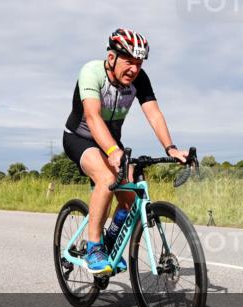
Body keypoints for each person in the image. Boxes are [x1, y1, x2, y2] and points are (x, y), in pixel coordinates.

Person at [63, 28, 187, 275]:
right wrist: (111, 150)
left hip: (111, 142)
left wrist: (170, 148)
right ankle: (94, 248)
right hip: (80, 138)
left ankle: (110, 241)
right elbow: (92, 116)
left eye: (138, 63)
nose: (134, 69)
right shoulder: (92, 72)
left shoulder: (140, 79)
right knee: (107, 178)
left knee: (130, 197)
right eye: (129, 61)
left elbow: (153, 113)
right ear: (111, 58)